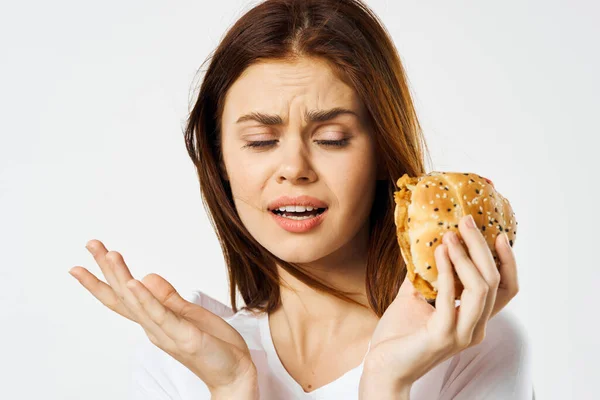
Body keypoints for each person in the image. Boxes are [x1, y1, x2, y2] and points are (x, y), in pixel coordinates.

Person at [68, 0, 533, 398]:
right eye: (260, 141)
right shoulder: (178, 358)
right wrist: (230, 388)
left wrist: (386, 384)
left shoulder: (470, 343)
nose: (294, 167)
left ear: (382, 153)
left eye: (331, 138)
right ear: (220, 161)